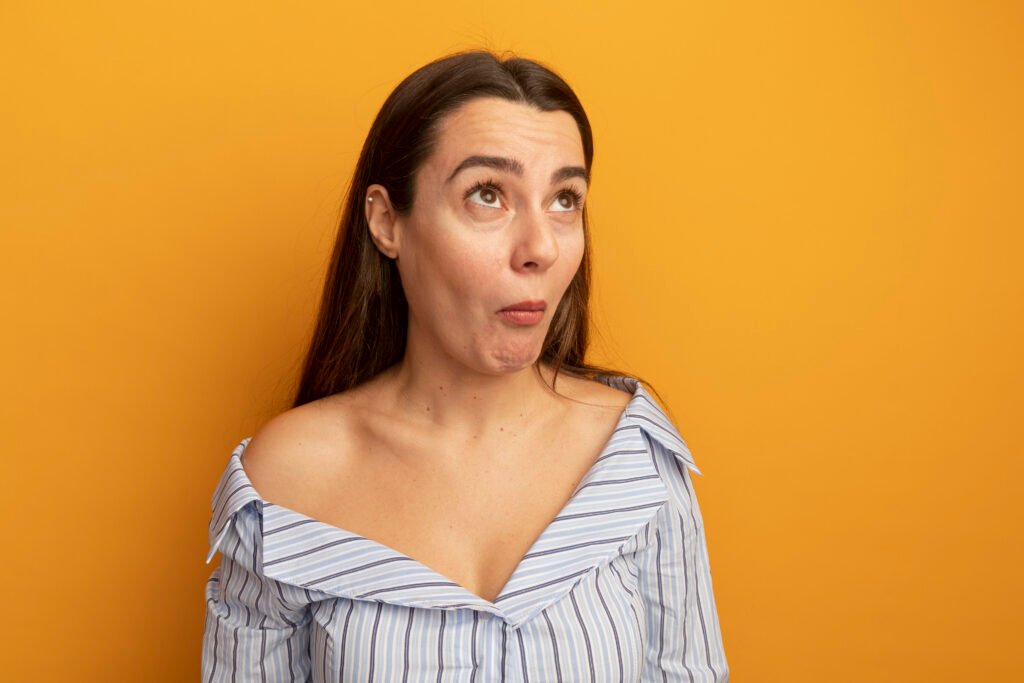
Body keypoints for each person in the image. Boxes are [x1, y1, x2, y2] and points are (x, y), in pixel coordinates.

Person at [201, 48, 729, 682]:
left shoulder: (633, 460)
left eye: (565, 199)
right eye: (488, 194)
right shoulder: (287, 484)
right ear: (387, 221)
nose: (539, 246)